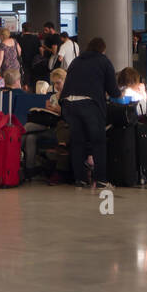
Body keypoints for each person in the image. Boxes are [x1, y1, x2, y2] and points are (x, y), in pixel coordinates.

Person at [58, 37, 120, 188]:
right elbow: (113, 90)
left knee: (78, 142)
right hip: (89, 104)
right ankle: (101, 179)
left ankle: (80, 179)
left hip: (69, 104)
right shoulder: (103, 61)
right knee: (98, 141)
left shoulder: (76, 61)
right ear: (102, 49)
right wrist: (119, 95)